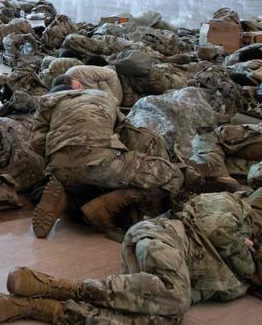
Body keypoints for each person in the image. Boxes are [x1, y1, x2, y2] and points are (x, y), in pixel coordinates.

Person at [0, 187, 262, 323]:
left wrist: (258, 258)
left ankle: (40, 307)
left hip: (168, 270)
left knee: (165, 317)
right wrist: (248, 259)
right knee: (176, 298)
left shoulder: (253, 244)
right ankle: (62, 286)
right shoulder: (230, 206)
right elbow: (220, 231)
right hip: (161, 238)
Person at [29, 79, 184, 238]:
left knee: (86, 183)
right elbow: (125, 133)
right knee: (173, 174)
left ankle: (66, 198)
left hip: (59, 169)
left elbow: (36, 143)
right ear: (75, 90)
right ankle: (105, 208)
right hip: (99, 164)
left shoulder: (46, 103)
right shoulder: (103, 96)